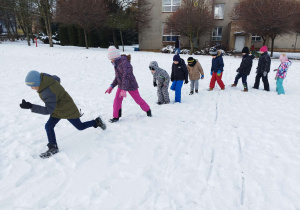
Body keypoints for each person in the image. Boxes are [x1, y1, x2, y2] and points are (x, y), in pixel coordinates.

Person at [20, 71, 106, 159]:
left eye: (32, 86)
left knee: (80, 127)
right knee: (49, 126)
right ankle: (53, 147)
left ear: (37, 82)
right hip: (57, 109)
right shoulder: (47, 79)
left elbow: (48, 110)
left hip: (67, 109)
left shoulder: (48, 92)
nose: (31, 88)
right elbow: (57, 79)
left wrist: (31, 106)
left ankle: (96, 122)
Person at [105, 46, 152, 123]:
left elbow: (126, 77)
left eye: (111, 59)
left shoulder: (125, 63)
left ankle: (148, 110)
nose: (111, 60)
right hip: (121, 85)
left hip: (131, 85)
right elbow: (118, 77)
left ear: (115, 56)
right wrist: (111, 86)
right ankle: (116, 117)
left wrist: (124, 89)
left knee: (138, 99)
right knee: (117, 100)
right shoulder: (116, 63)